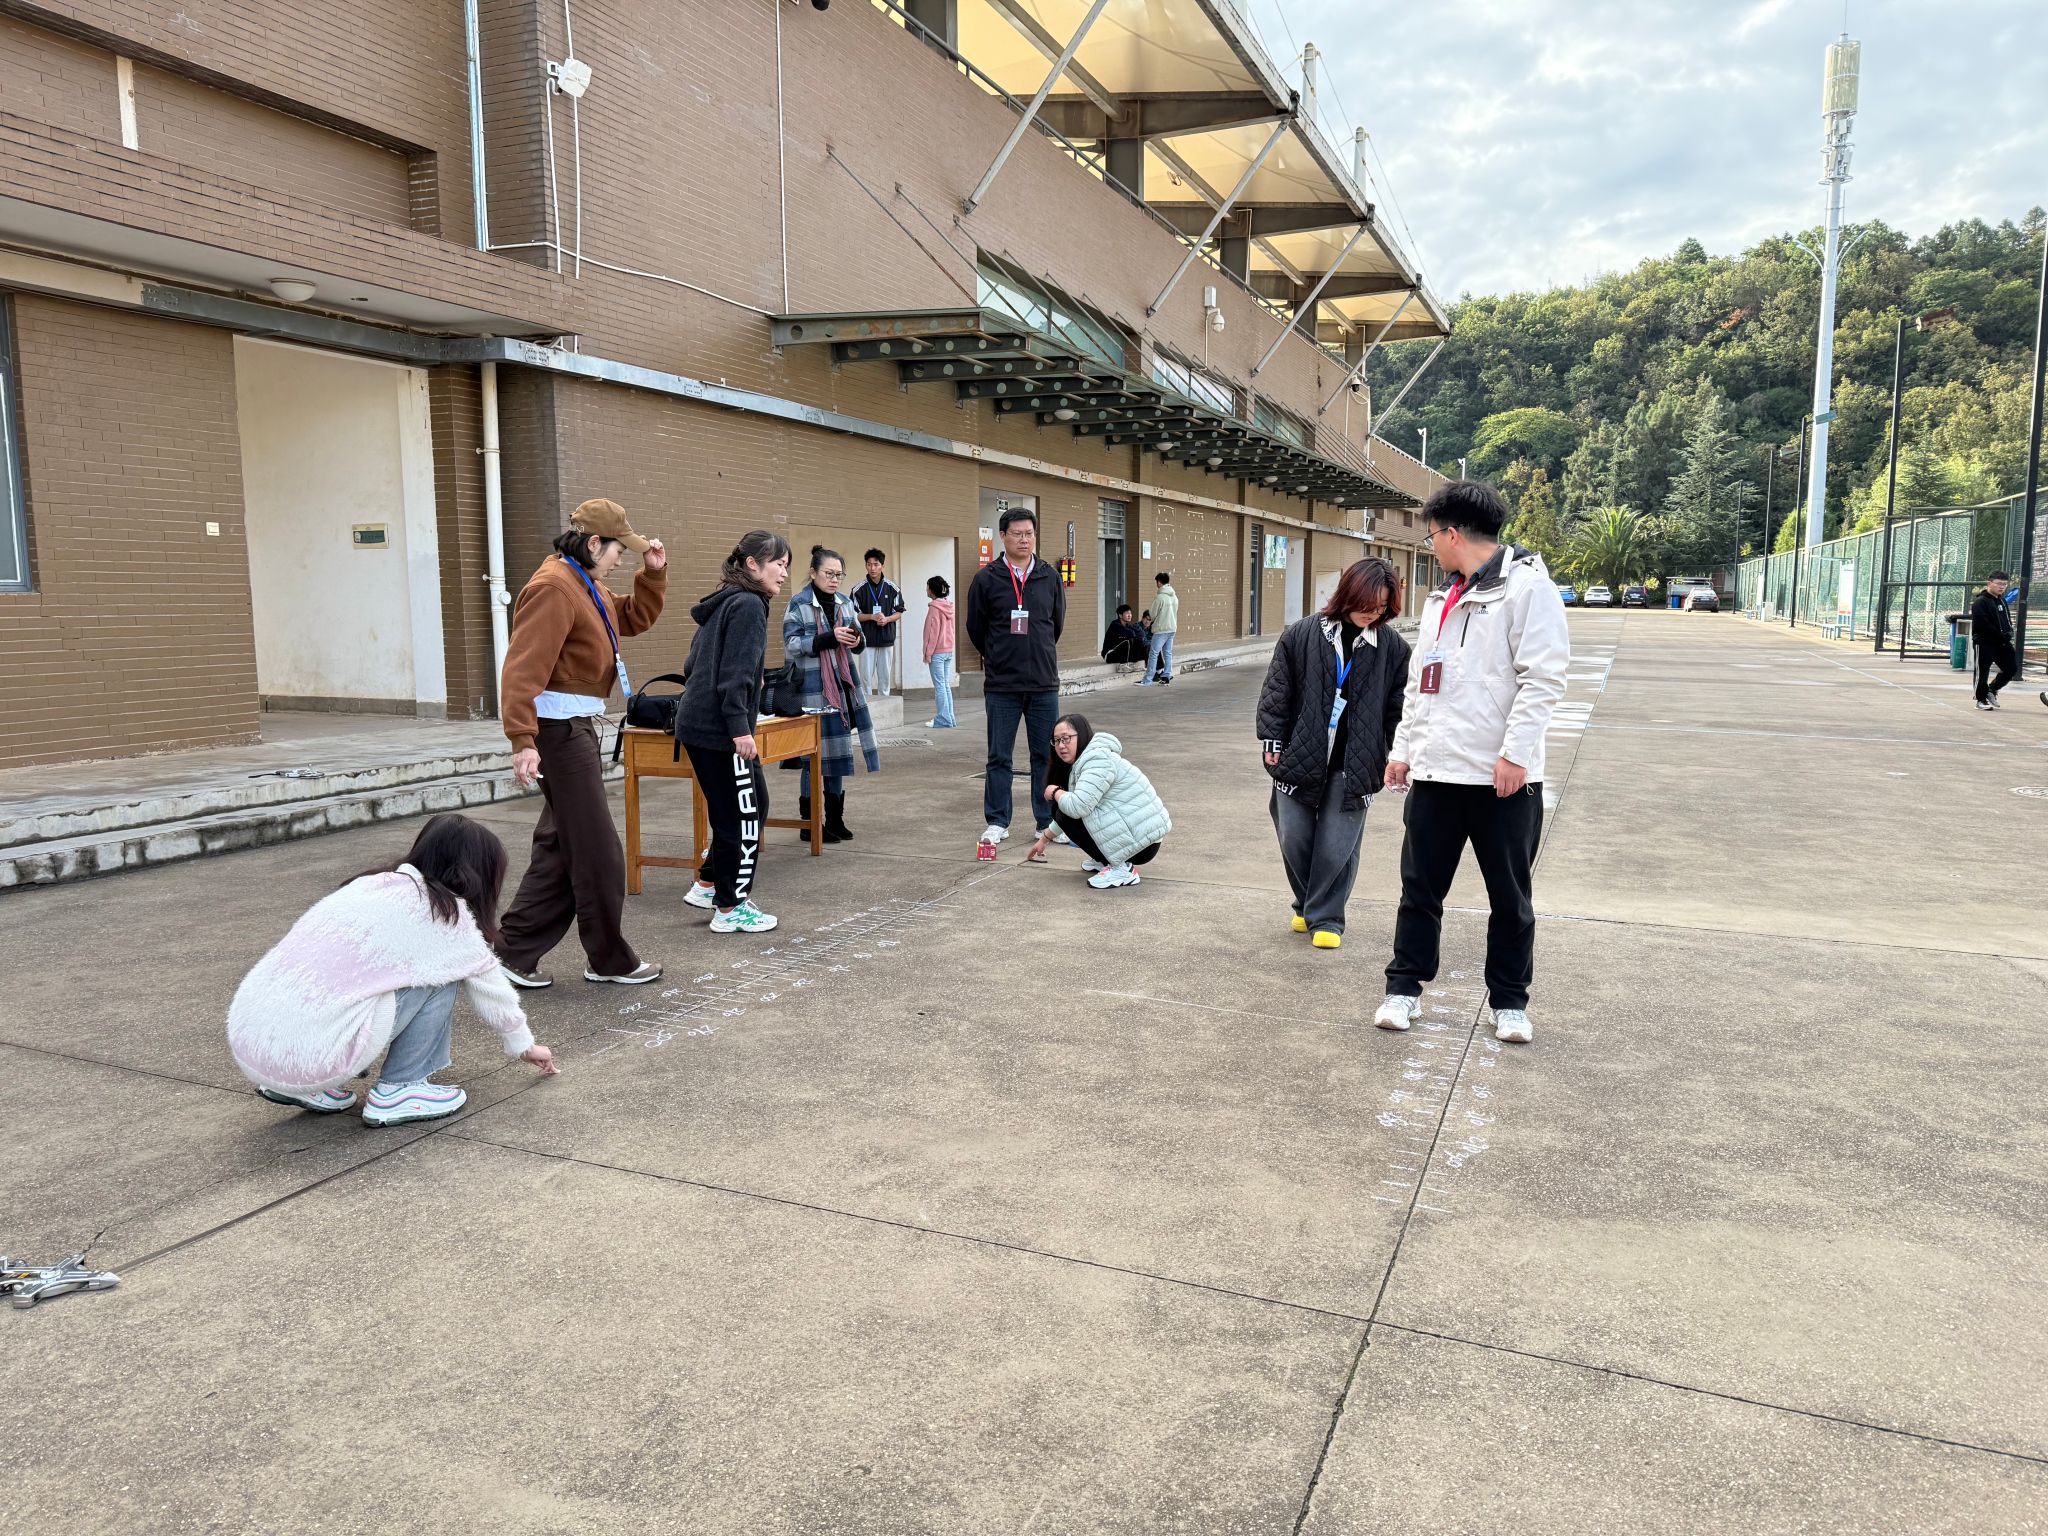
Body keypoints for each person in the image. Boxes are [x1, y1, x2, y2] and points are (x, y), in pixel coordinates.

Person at [1373, 480, 1570, 1045]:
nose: (1432, 546)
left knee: (1509, 897)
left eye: (1432, 536)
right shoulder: (1442, 599)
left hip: (1502, 780)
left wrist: (1514, 755)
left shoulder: (1528, 590)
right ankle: (1403, 989)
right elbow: (1421, 684)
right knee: (1419, 890)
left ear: (1452, 533)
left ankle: (1509, 1002)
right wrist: (1403, 752)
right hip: (1437, 774)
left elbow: (1543, 679)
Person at [228, 815, 558, 1127]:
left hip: (255, 1046)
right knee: (441, 976)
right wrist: (524, 1045)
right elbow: (491, 989)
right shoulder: (443, 914)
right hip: (314, 1057)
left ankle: (302, 1085)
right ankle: (401, 1088)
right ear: (478, 873)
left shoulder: (367, 885)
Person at [497, 497, 668, 989]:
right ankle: (608, 959)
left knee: (559, 848)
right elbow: (522, 667)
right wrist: (522, 739)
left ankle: (511, 953)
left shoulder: (582, 582)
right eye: (619, 550)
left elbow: (630, 618)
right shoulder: (554, 587)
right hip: (557, 732)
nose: (620, 559)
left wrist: (653, 574)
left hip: (573, 728)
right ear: (594, 543)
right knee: (597, 852)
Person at [1257, 557, 1411, 949]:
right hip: (1299, 754)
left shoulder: (1393, 649)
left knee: (1337, 846)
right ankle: (1307, 903)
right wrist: (1272, 739)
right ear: (1348, 595)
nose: (1372, 614)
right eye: (1367, 605)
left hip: (1356, 761)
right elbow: (1277, 691)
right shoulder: (1302, 635)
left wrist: (1400, 752)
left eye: (1382, 608)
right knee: (1293, 837)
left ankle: (1326, 917)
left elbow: (1399, 709)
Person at [676, 530, 793, 934]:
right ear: (752, 564)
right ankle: (731, 908)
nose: (783, 573)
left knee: (744, 809)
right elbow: (736, 674)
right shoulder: (747, 605)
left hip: (701, 724)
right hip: (721, 730)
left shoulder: (727, 599)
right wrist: (740, 728)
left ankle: (709, 885)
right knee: (744, 816)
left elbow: (693, 665)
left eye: (786, 565)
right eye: (778, 564)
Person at [965, 507, 1065, 846]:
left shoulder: (1049, 576)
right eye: (1018, 534)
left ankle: (1046, 821)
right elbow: (975, 628)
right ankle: (997, 821)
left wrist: (1036, 651)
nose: (1024, 539)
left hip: (1043, 683)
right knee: (999, 756)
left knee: (1046, 756)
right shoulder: (987, 579)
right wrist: (999, 655)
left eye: (1029, 534)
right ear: (1003, 536)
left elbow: (1056, 625)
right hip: (1002, 685)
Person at [779, 545, 880, 844]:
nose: (834, 580)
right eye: (829, 574)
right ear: (813, 573)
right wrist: (828, 637)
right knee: (812, 758)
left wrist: (857, 640)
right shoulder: (798, 603)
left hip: (840, 687)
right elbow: (791, 644)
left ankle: (835, 820)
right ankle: (809, 824)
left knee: (837, 753)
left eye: (839, 575)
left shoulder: (844, 603)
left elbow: (859, 642)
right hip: (810, 690)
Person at [1025, 714, 1171, 888]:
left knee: (1065, 807)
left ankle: (1122, 870)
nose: (1061, 746)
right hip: (1139, 838)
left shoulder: (1096, 761)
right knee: (1063, 808)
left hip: (1142, 844)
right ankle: (1106, 861)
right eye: (1056, 741)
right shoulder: (1085, 760)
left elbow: (1077, 808)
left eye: (1066, 738)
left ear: (1082, 735)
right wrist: (1044, 839)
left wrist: (1056, 791)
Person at [852, 548, 906, 697]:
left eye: (876, 564)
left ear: (882, 566)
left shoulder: (892, 588)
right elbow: (854, 615)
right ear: (866, 566)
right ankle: (866, 708)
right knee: (865, 680)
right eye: (869, 564)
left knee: (885, 679)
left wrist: (887, 619)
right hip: (866, 640)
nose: (872, 568)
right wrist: (872, 617)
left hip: (886, 640)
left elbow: (899, 611)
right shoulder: (858, 590)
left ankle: (885, 707)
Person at [1971, 572, 2017, 710]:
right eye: (1998, 583)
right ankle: (1980, 699)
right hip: (1984, 642)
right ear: (1989, 583)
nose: (2001, 587)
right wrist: (1998, 634)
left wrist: (2008, 632)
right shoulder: (1980, 602)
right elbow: (1982, 624)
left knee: (2011, 668)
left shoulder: (2002, 601)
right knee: (1982, 672)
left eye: (2004, 584)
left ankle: (1992, 689)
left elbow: (2006, 620)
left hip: (2002, 643)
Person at [924, 575, 958, 728]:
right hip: (948, 650)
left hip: (937, 652)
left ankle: (943, 719)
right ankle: (950, 718)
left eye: (927, 587)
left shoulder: (934, 608)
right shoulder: (948, 606)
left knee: (940, 686)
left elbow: (932, 634)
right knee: (945, 685)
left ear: (932, 590)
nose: (926, 589)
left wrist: (928, 653)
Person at [1139, 572, 1179, 684]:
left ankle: (1148, 679)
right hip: (1172, 628)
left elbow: (1152, 614)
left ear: (1159, 582)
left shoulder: (1160, 597)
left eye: (1156, 582)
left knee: (1153, 654)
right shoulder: (1174, 597)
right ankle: (1166, 676)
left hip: (1161, 629)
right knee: (1168, 653)